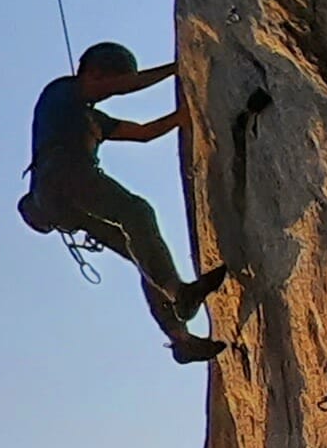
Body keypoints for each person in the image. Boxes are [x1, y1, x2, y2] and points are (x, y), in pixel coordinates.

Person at [23, 42, 233, 362]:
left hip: (62, 202)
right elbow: (124, 86)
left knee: (139, 250)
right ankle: (181, 294)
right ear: (94, 72)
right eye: (107, 81)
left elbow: (144, 133)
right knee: (137, 212)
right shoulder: (61, 93)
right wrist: (179, 66)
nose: (108, 92)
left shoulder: (93, 118)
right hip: (62, 177)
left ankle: (181, 337)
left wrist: (184, 115)